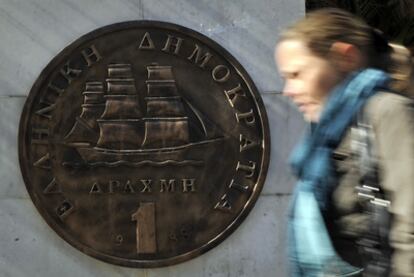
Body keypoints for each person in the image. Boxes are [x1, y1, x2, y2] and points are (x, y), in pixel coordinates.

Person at [274, 8, 414, 277]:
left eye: (296, 74)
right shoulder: (325, 134)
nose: (287, 91)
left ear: (344, 57)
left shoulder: (388, 113)